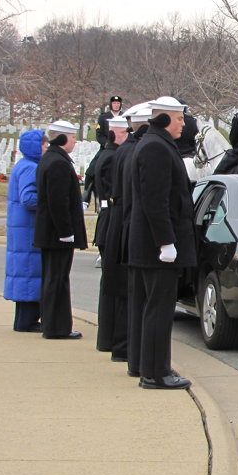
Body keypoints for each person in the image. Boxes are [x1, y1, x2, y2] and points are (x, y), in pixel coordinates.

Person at [127, 97, 196, 389]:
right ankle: (156, 373)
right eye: (180, 119)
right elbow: (156, 201)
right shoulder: (156, 146)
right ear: (167, 118)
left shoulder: (156, 143)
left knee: (156, 308)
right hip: (157, 248)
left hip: (154, 245)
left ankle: (152, 367)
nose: (183, 124)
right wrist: (166, 242)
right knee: (159, 309)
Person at [105, 103, 151, 367]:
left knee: (125, 293)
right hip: (129, 222)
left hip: (120, 220)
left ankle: (122, 346)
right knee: (132, 294)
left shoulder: (125, 149)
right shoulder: (137, 151)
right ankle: (129, 350)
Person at [34, 120, 88, 339]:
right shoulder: (57, 162)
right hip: (57, 234)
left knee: (53, 277)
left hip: (50, 233)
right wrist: (66, 231)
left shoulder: (52, 158)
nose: (74, 141)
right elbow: (59, 201)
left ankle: (52, 323)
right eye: (73, 137)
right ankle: (57, 327)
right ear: (64, 138)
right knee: (57, 279)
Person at [3, 129, 49, 332]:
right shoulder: (30, 168)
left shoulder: (23, 165)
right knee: (31, 271)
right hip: (28, 228)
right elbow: (29, 198)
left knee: (25, 272)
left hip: (21, 228)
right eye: (44, 144)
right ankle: (27, 320)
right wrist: (50, 201)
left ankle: (24, 318)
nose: (47, 148)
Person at [94, 115, 130, 354]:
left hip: (108, 220)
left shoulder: (107, 155)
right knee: (113, 285)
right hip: (110, 220)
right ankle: (109, 338)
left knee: (110, 284)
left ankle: (107, 338)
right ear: (116, 133)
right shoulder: (111, 157)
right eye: (125, 132)